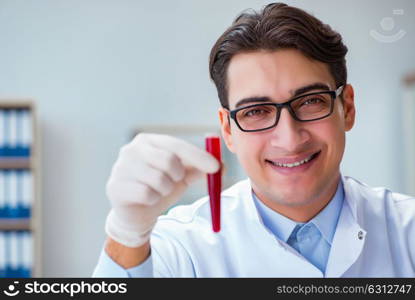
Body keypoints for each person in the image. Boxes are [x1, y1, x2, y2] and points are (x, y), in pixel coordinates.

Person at [92, 2, 415, 277]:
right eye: (256, 111)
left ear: (346, 108)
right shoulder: (181, 246)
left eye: (310, 101)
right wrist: (127, 233)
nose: (289, 139)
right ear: (228, 130)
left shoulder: (406, 230)